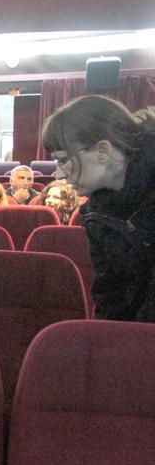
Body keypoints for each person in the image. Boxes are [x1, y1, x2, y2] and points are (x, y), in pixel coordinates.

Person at [42, 95, 155, 321]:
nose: (59, 174)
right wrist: (106, 337)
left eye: (63, 160)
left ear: (103, 151)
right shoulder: (95, 213)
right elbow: (110, 293)